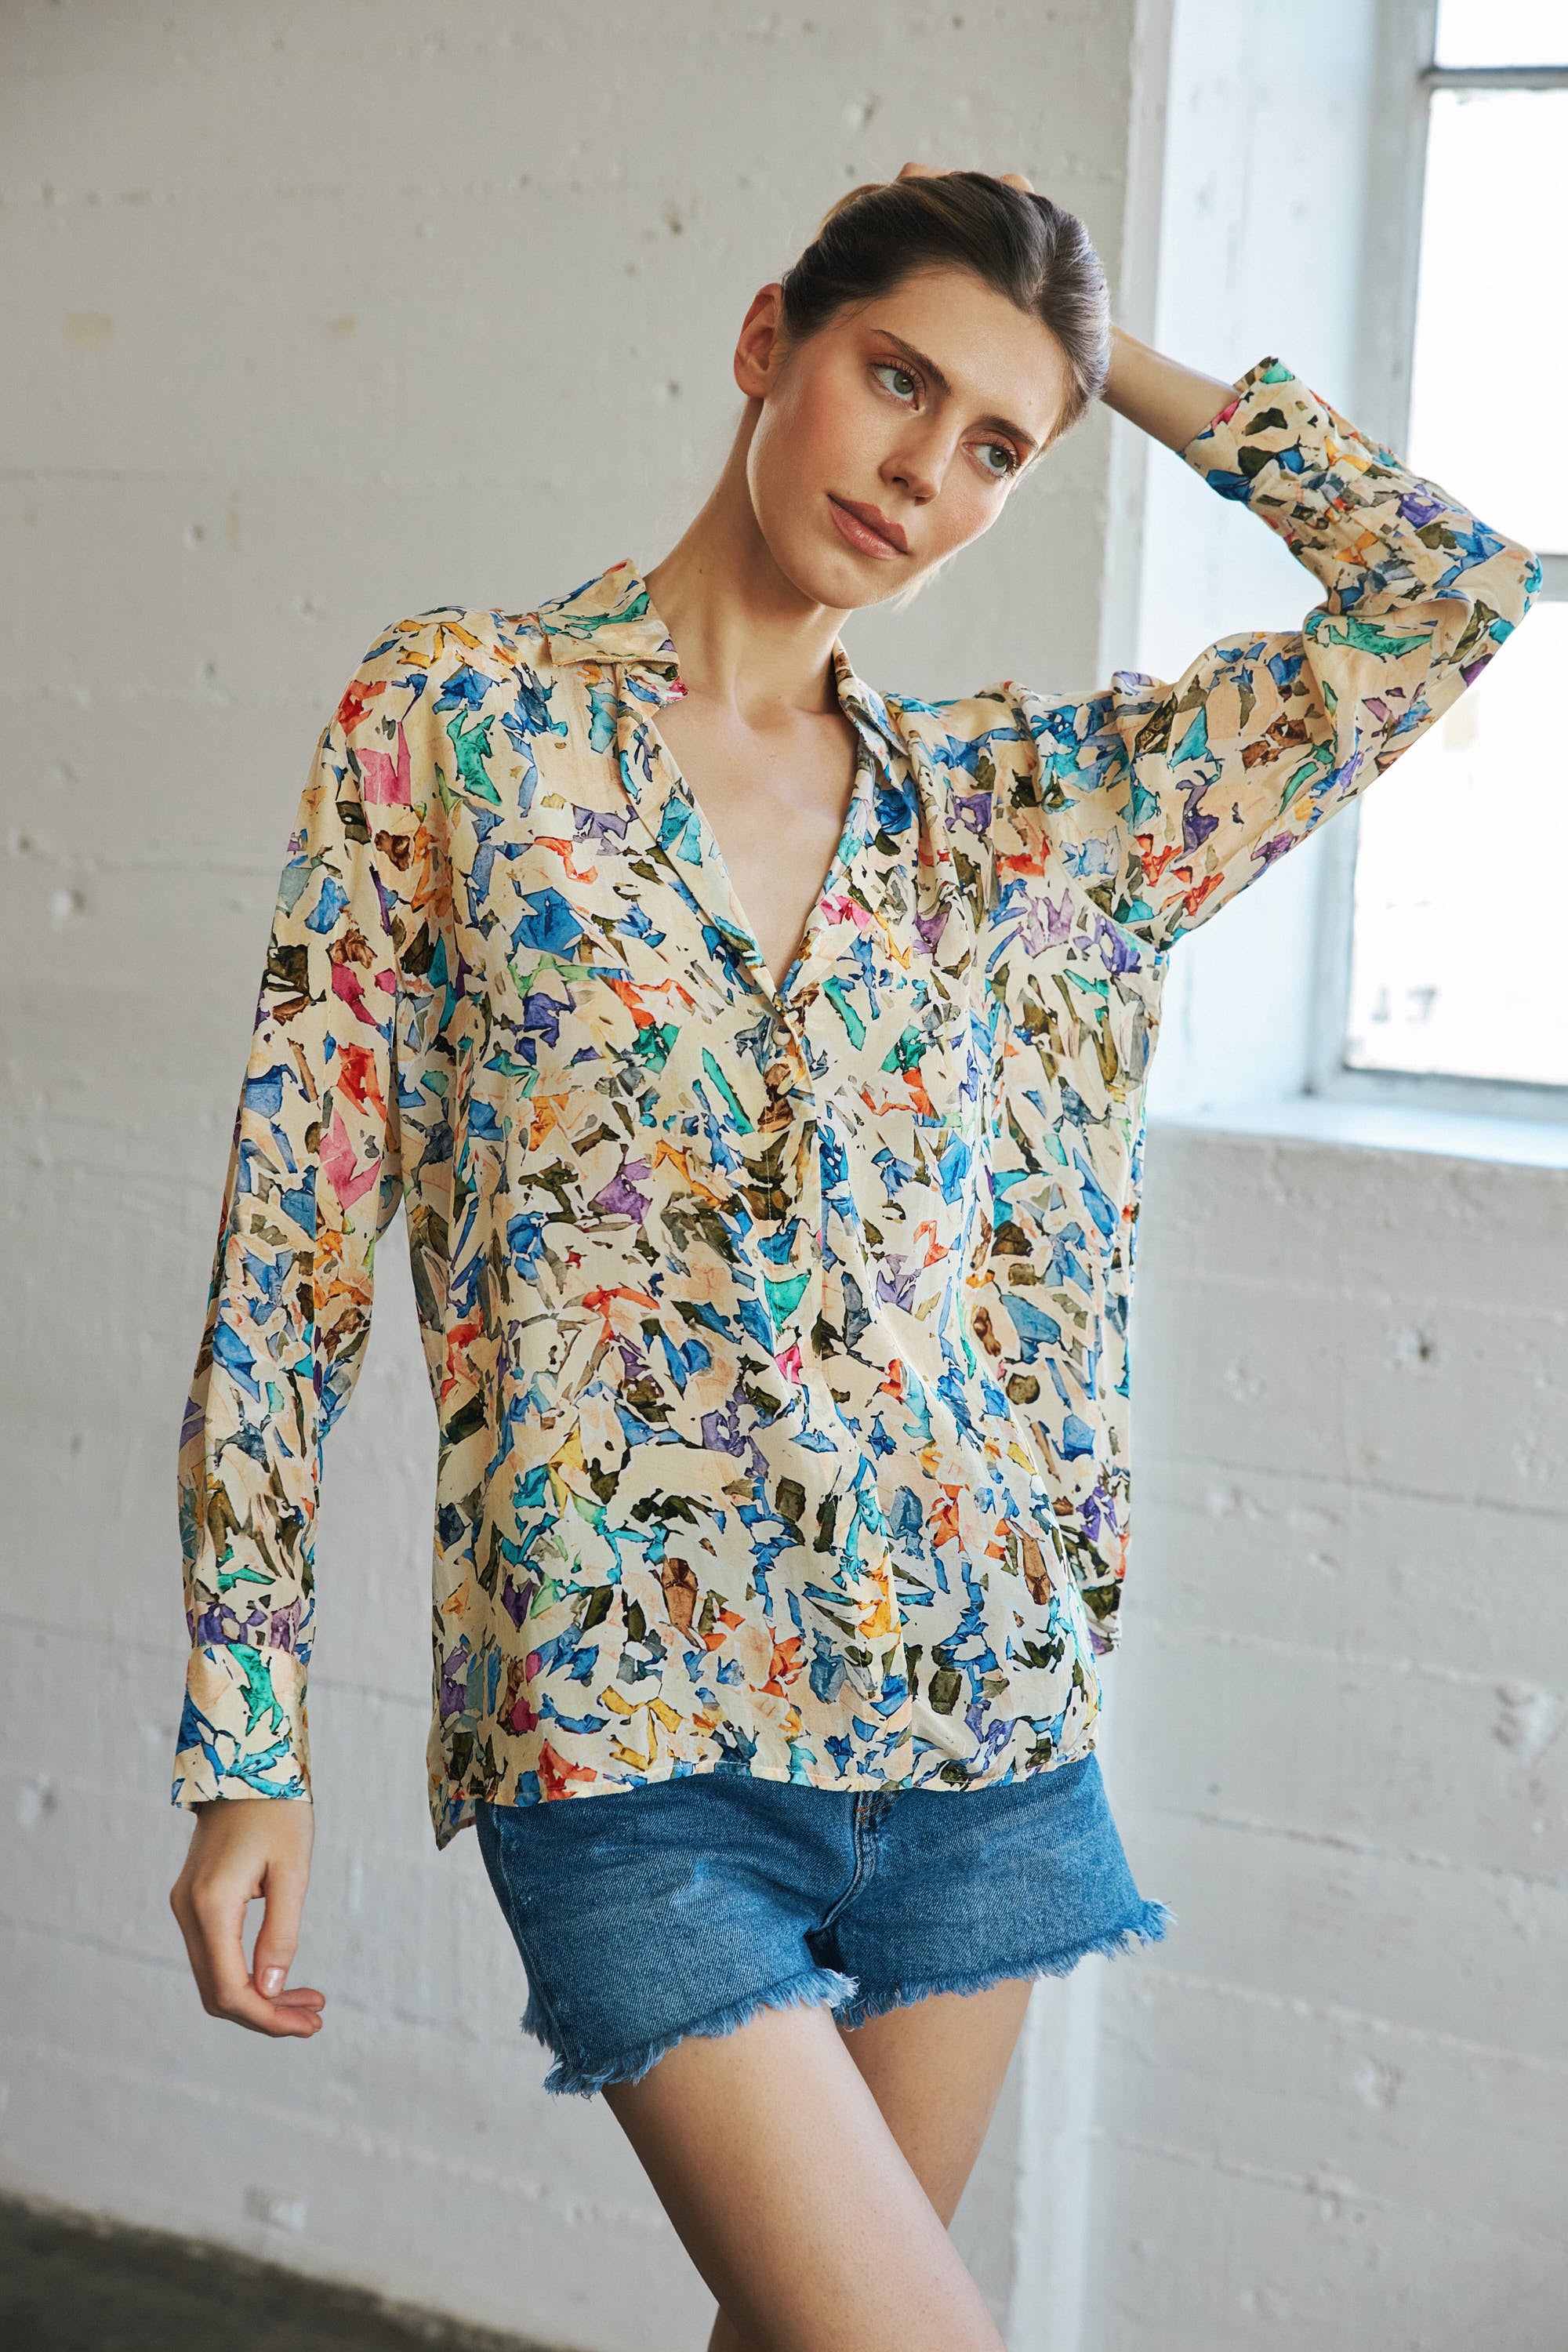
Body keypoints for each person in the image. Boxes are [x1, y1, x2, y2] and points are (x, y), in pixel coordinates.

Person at [167, 163, 1537, 2352]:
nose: (926, 471)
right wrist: (250, 1735)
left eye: (999, 444)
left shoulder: (1026, 814)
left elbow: (1446, 594)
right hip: (628, 1747)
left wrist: (1107, 358)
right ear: (766, 341)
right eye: (898, 380)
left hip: (977, 1736)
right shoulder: (459, 724)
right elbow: (289, 1259)